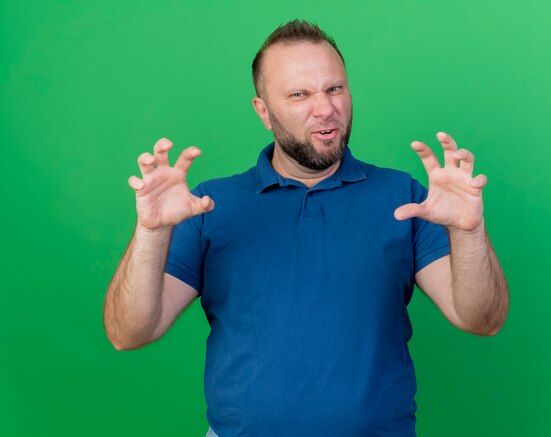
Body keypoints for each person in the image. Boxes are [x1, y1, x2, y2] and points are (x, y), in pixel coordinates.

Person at [104, 19, 509, 437]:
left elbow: (482, 319)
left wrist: (468, 231)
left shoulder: (403, 197)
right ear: (264, 111)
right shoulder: (207, 205)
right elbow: (128, 333)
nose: (325, 108)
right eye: (299, 94)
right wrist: (151, 232)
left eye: (334, 88)